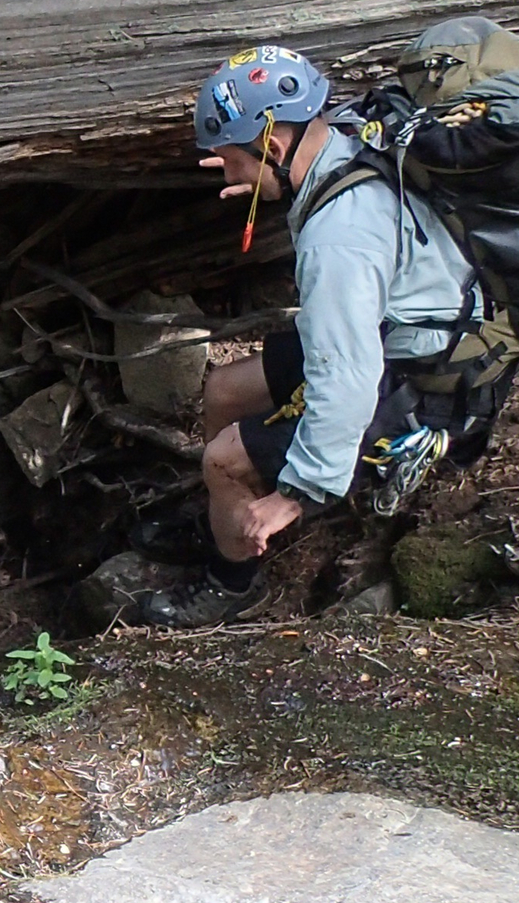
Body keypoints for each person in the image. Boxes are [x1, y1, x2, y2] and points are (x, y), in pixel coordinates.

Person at [135, 44, 484, 627]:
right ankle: (223, 516)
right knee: (225, 388)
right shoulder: (343, 136)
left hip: (425, 374)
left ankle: (231, 582)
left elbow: (348, 377)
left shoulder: (338, 241)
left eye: (231, 161)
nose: (227, 172)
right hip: (395, 322)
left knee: (223, 460)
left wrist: (297, 493)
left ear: (272, 147)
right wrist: (257, 177)